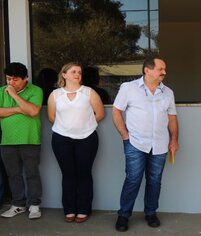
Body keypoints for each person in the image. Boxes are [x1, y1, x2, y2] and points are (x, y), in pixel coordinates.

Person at [112, 56, 179, 232]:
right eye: (160, 69)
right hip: (135, 143)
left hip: (160, 144)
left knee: (155, 180)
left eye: (164, 69)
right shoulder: (129, 88)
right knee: (133, 179)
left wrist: (174, 139)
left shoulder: (168, 92)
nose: (164, 72)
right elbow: (116, 111)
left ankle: (151, 213)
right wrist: (125, 135)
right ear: (147, 70)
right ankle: (123, 215)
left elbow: (172, 118)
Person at [47, 62, 105, 223]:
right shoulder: (55, 95)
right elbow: (51, 117)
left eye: (79, 72)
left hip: (87, 139)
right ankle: (69, 209)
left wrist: (84, 126)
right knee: (68, 174)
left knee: (84, 174)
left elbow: (100, 114)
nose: (77, 74)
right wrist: (66, 128)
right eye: (73, 71)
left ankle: (84, 209)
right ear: (64, 75)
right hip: (61, 139)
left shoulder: (89, 92)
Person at [0, 62, 43, 219]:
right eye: (8, 79)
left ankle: (34, 205)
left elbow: (32, 111)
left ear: (26, 78)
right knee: (13, 175)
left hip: (30, 139)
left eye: (15, 79)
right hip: (7, 141)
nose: (11, 83)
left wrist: (13, 95)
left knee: (32, 173)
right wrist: (19, 109)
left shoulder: (35, 90)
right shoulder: (0, 91)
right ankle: (18, 204)